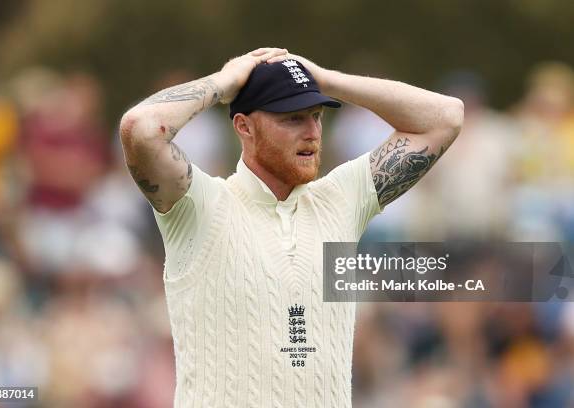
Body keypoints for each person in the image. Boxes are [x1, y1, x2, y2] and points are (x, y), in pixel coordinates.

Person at [119, 47, 463, 408]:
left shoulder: (340, 199)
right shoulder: (200, 205)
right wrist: (226, 81)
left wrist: (323, 79)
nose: (312, 133)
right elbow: (140, 128)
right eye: (292, 119)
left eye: (316, 116)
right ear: (244, 126)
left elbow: (447, 117)